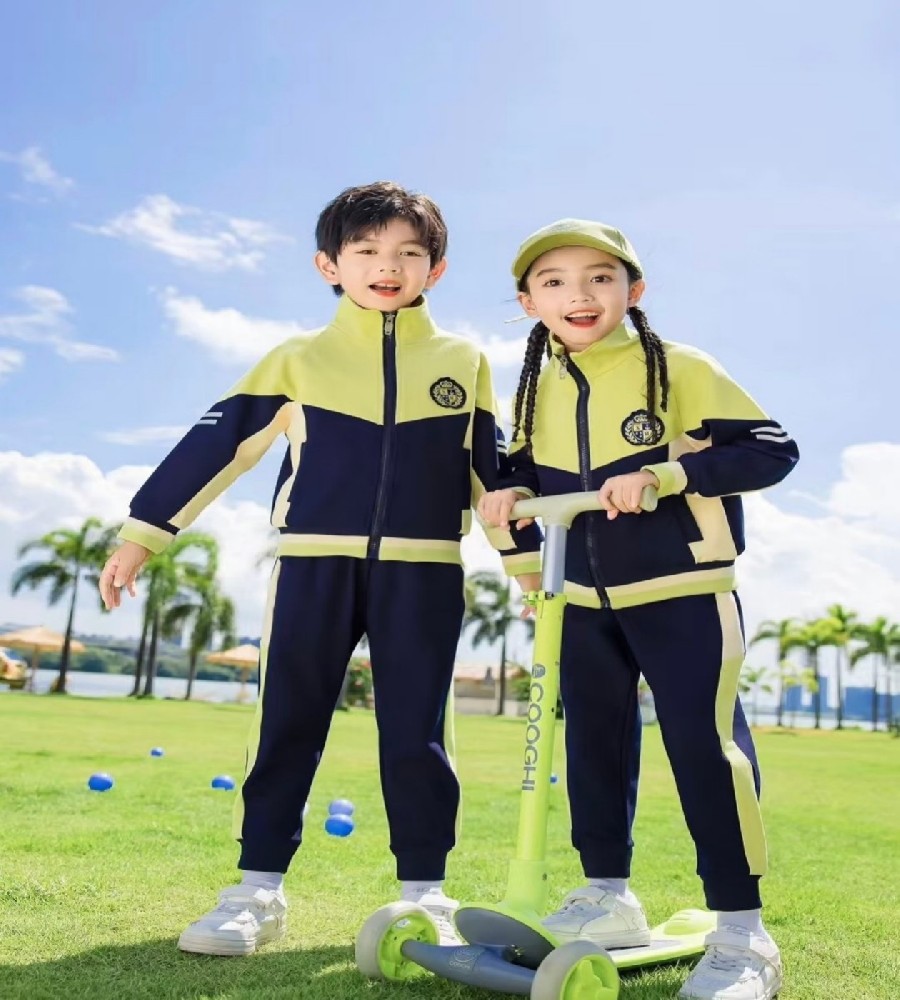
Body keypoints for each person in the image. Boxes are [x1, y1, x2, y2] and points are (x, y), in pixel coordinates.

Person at [98, 181, 541, 956]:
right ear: (329, 265)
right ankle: (256, 891)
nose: (387, 266)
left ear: (435, 269)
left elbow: (490, 471)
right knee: (287, 723)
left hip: (424, 570)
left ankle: (426, 893)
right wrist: (144, 533)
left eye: (408, 253)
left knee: (419, 736)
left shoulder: (462, 360)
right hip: (312, 566)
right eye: (366, 251)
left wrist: (527, 566)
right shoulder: (297, 359)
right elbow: (217, 445)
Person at [477, 219, 798, 1000]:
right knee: (593, 748)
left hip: (684, 590)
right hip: (581, 602)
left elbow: (771, 449)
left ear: (634, 290)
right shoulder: (535, 388)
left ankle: (742, 932)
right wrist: (512, 495)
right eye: (554, 282)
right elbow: (522, 476)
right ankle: (608, 896)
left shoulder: (680, 368)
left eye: (600, 277)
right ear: (528, 302)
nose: (579, 295)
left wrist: (666, 476)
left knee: (704, 748)